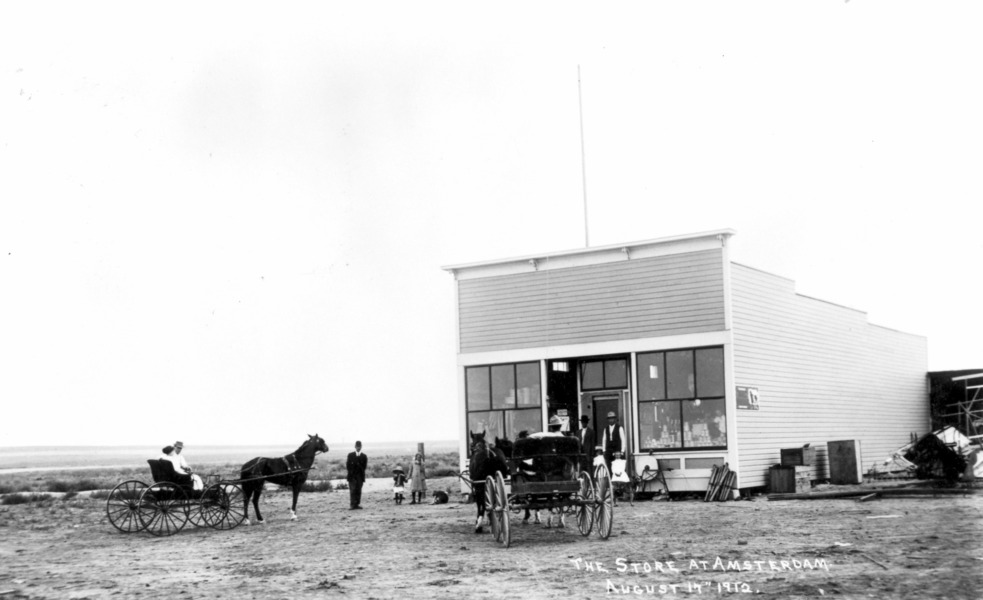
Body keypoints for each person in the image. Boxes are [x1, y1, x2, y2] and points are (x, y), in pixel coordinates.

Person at [346, 441, 368, 510]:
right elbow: (348, 466)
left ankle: (357, 504)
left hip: (360, 476)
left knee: (358, 490)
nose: (358, 448)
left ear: (361, 447)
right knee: (352, 490)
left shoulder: (364, 456)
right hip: (352, 475)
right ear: (355, 446)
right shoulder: (350, 455)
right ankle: (352, 504)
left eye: (359, 446)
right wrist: (351, 473)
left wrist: (360, 472)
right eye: (357, 446)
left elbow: (364, 467)